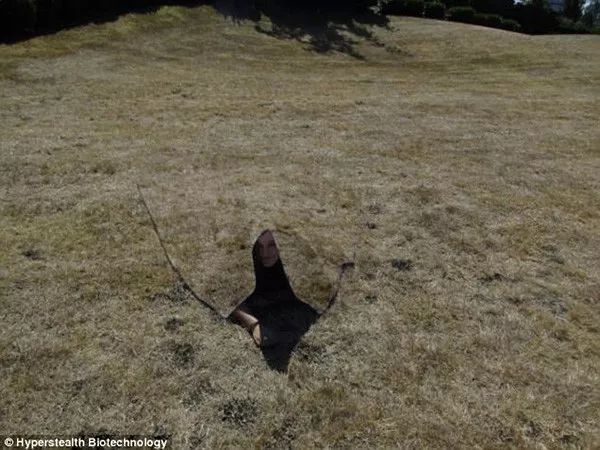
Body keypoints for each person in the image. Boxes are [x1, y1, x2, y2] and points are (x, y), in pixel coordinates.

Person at [229, 229, 318, 350]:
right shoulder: (247, 262)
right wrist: (253, 324)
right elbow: (230, 298)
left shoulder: (296, 263)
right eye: (261, 246)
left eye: (272, 245)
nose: (265, 253)